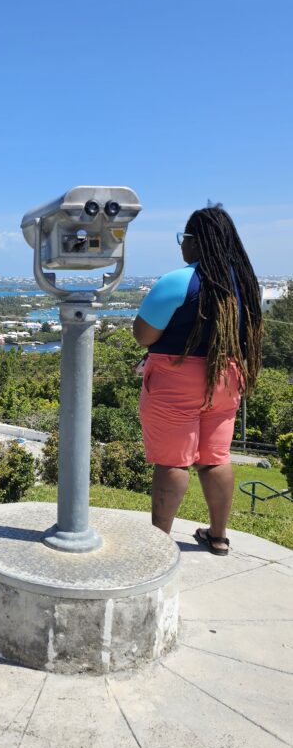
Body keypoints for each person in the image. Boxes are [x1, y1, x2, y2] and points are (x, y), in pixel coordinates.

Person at [133, 203, 263, 555]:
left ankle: (158, 542)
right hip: (227, 377)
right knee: (216, 458)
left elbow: (143, 335)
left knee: (173, 461)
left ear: (196, 242)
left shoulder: (179, 281)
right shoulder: (246, 286)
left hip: (176, 379)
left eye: (184, 238)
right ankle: (218, 536)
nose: (181, 246)